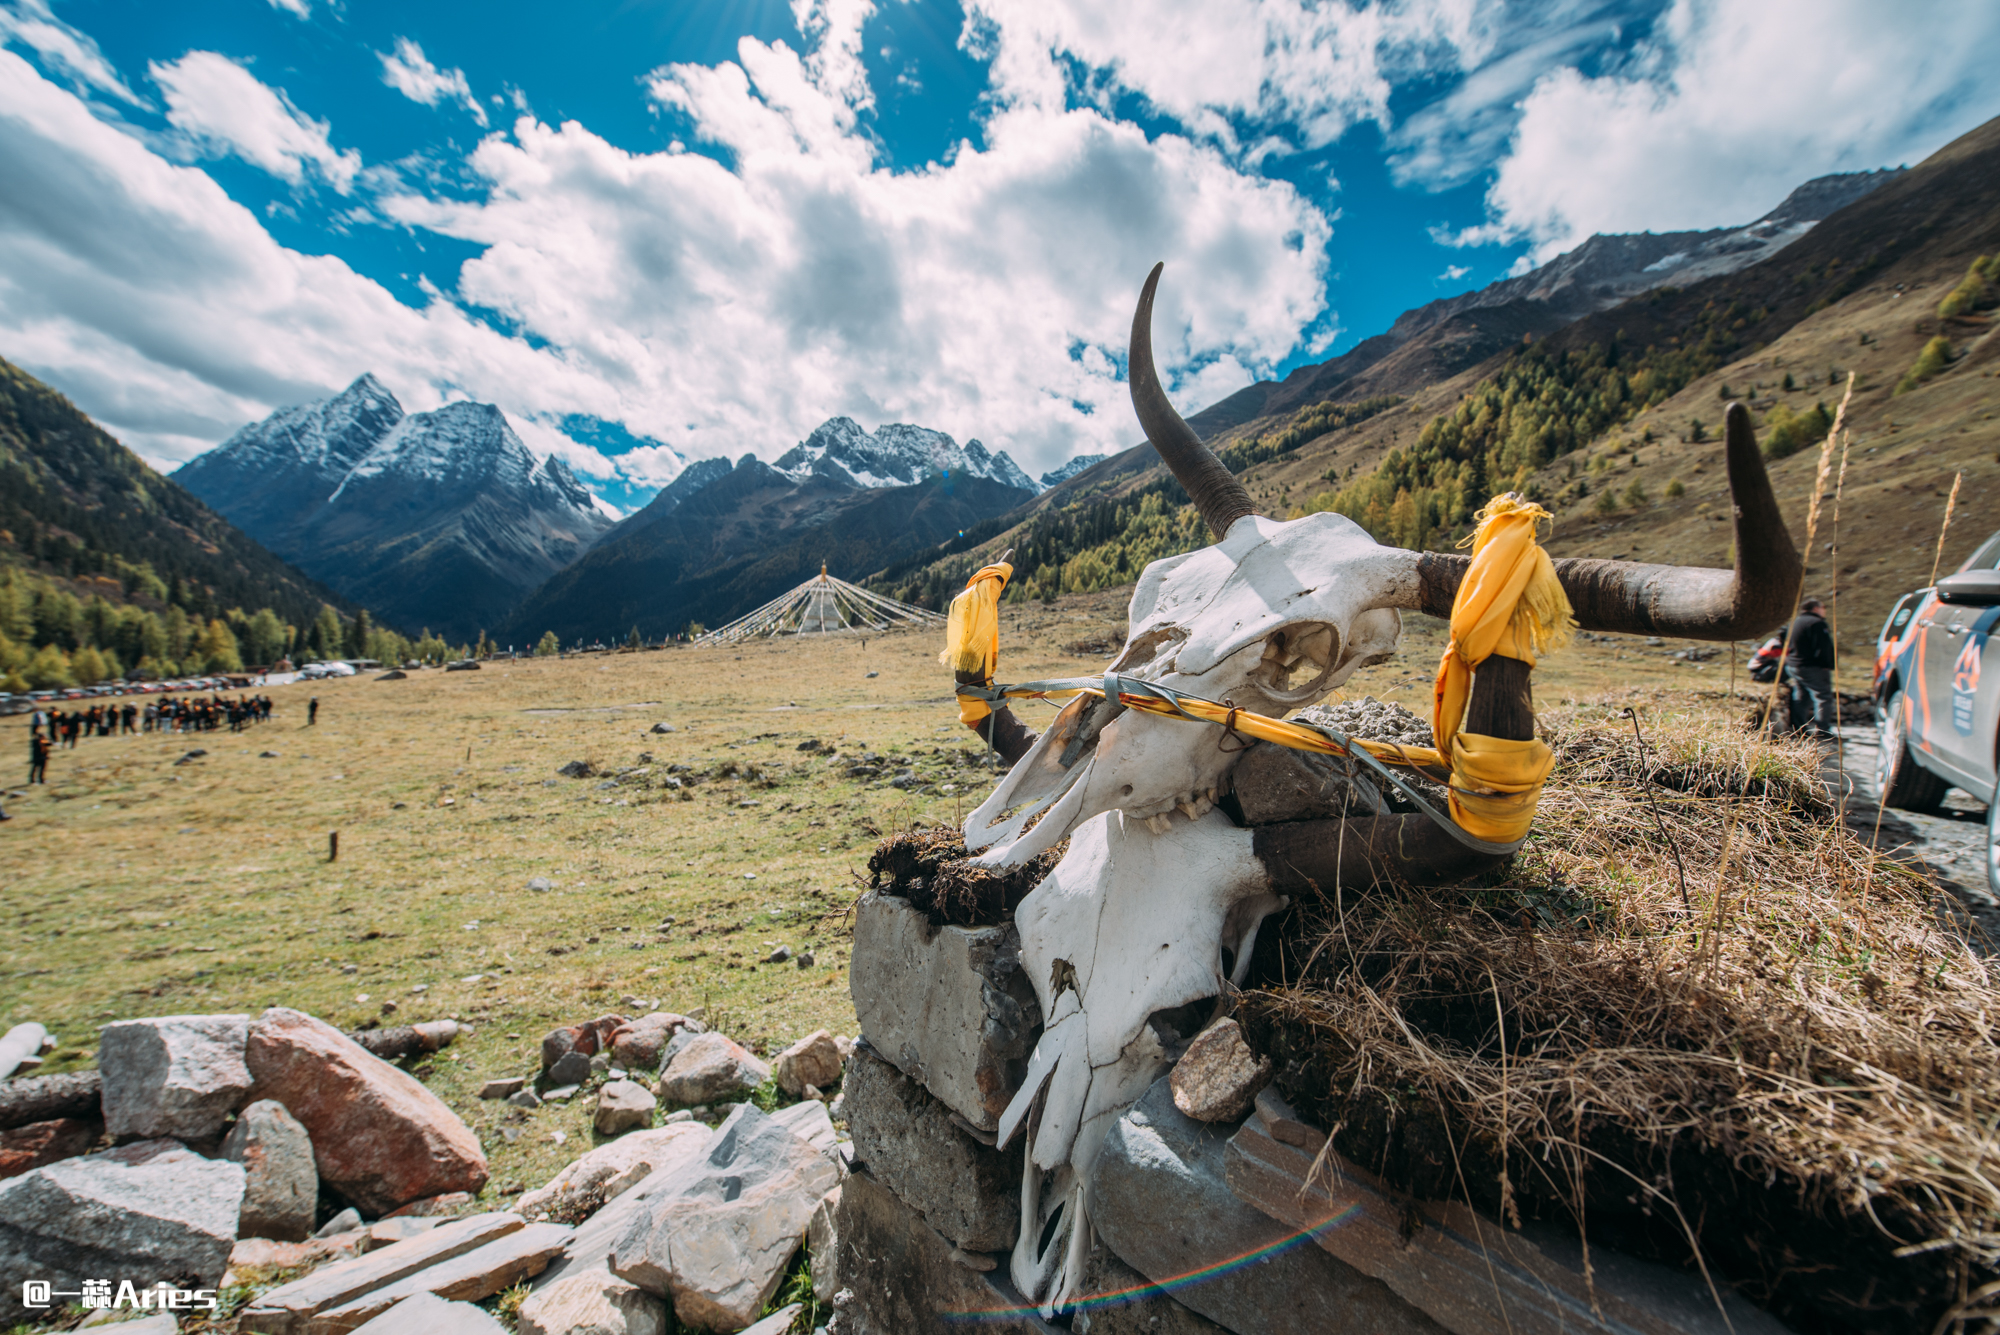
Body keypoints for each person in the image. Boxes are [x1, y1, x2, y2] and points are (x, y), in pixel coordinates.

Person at [1784, 597, 1838, 739]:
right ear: (1816, 608)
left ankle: (1799, 729)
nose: (1824, 611)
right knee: (1823, 696)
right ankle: (1823, 730)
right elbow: (1823, 647)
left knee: (1801, 696)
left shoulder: (1795, 622)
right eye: (1823, 608)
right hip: (1812, 666)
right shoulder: (1817, 623)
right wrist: (1826, 665)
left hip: (1794, 664)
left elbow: (1783, 638)